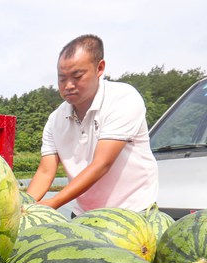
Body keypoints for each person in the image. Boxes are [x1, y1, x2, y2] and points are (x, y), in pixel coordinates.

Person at [25, 34, 158, 216]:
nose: (68, 85)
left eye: (77, 76)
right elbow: (46, 172)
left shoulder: (123, 99)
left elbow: (102, 163)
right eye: (62, 79)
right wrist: (25, 207)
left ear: (99, 68)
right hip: (84, 215)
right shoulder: (55, 119)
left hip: (132, 213)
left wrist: (53, 203)